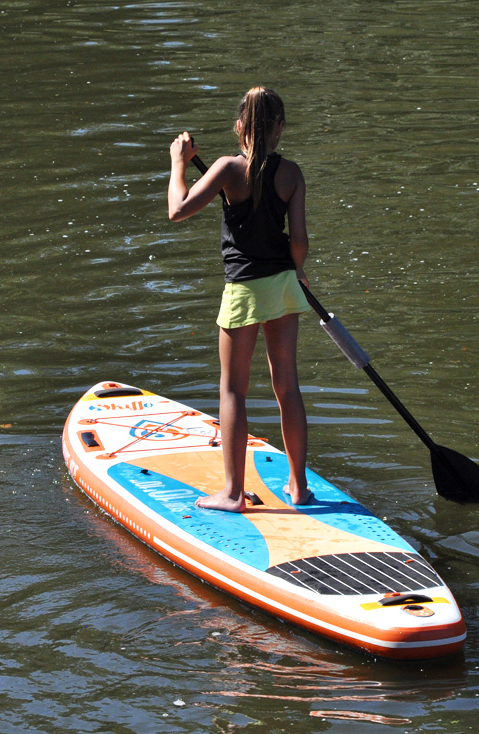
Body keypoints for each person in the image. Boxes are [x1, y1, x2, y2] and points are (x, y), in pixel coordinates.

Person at [167, 87, 312, 512]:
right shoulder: (292, 174)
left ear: (238, 128)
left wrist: (179, 163)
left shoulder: (229, 169)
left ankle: (233, 493)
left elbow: (178, 209)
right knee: (288, 386)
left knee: (233, 390)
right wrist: (298, 271)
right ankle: (298, 487)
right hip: (284, 285)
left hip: (244, 289)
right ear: (279, 128)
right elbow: (299, 239)